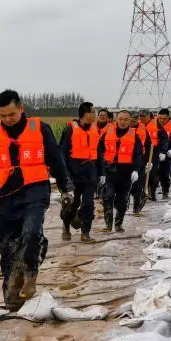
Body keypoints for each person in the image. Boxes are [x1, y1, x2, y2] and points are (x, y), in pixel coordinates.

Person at [0, 89, 73, 311]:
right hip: (3, 195)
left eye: (12, 114)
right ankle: (12, 299)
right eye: (3, 116)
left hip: (34, 190)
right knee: (7, 248)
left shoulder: (40, 130)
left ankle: (30, 272)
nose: (8, 120)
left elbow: (56, 160)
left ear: (21, 109)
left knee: (32, 232)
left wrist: (67, 187)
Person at [59, 101, 99, 242]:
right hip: (73, 174)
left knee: (89, 204)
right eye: (93, 112)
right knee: (71, 204)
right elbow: (62, 154)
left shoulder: (95, 130)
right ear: (86, 114)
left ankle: (85, 232)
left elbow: (99, 152)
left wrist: (102, 173)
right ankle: (66, 226)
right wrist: (64, 176)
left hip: (90, 174)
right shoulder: (70, 130)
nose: (95, 115)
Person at [97, 110, 142, 233]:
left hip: (125, 172)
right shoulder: (107, 133)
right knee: (108, 196)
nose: (122, 122)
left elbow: (138, 154)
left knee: (122, 200)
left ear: (130, 121)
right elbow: (99, 151)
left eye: (126, 119)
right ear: (117, 119)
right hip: (109, 171)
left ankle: (118, 224)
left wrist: (136, 170)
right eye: (120, 119)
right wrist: (99, 169)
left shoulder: (134, 135)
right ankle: (108, 225)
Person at [131, 112, 153, 214]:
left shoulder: (143, 130)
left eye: (135, 119)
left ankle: (136, 207)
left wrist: (149, 161)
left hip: (140, 160)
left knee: (138, 185)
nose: (133, 121)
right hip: (124, 161)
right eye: (131, 120)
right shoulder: (121, 130)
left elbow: (148, 146)